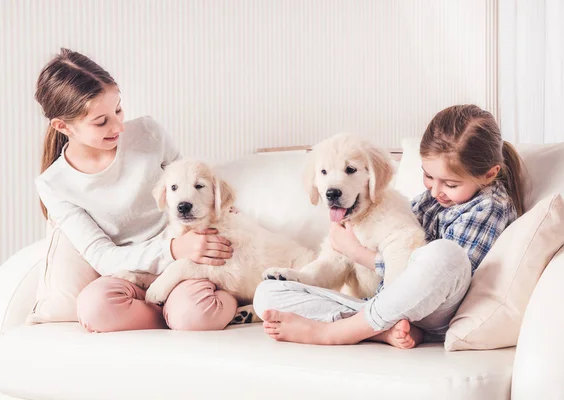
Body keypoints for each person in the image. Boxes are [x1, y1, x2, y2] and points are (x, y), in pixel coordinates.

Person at [253, 104, 525, 348]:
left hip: (438, 310)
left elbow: (446, 277)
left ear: (489, 174)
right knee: (266, 295)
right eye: (428, 176)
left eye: (450, 184)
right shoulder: (432, 201)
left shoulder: (489, 208)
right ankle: (378, 330)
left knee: (445, 255)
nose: (435, 191)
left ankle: (336, 332)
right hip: (385, 306)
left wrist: (358, 253)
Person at [35, 48, 237, 332]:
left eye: (118, 109)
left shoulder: (148, 133)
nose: (118, 125)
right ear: (63, 126)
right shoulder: (54, 185)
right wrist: (172, 249)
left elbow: (189, 185)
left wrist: (214, 221)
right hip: (133, 273)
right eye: (101, 121)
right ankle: (170, 315)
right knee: (94, 308)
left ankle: (191, 310)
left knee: (196, 312)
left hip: (188, 262)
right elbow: (102, 256)